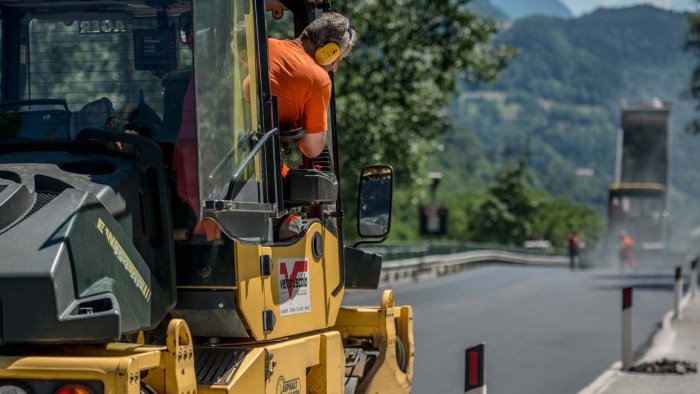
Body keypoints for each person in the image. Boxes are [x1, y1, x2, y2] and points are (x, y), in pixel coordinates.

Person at [266, 12, 357, 158]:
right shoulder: (318, 79)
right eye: (338, 59)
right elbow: (311, 149)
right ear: (328, 52)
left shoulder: (268, 45)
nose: (335, 68)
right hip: (263, 158)